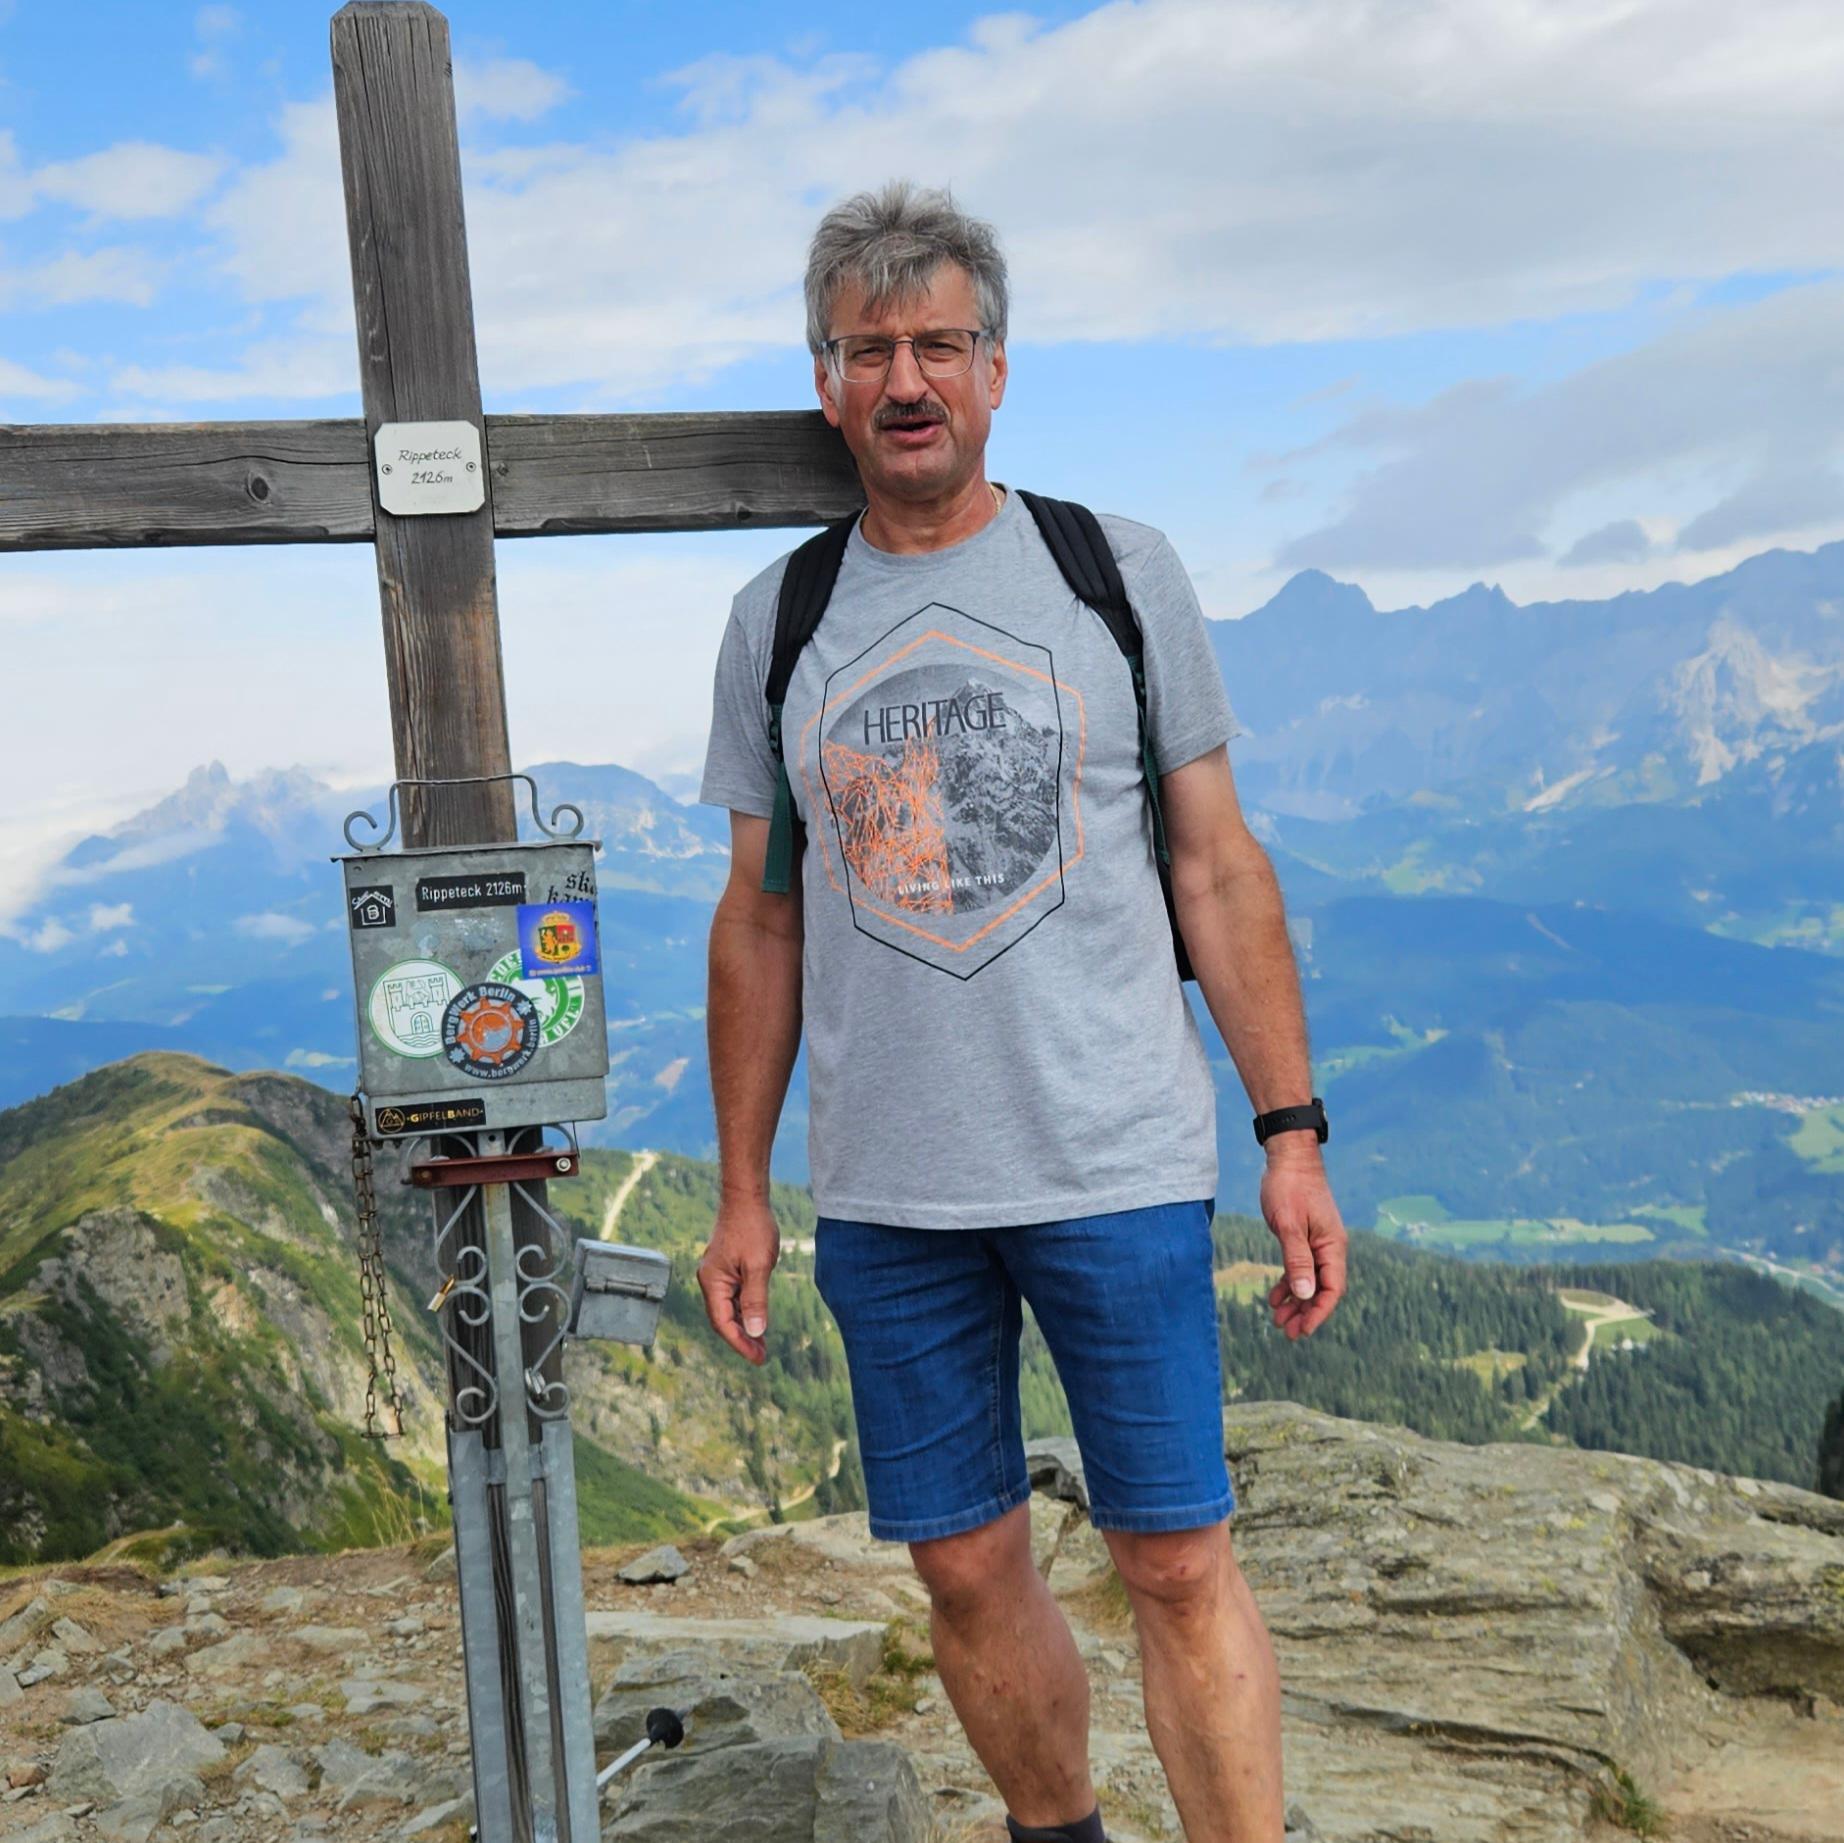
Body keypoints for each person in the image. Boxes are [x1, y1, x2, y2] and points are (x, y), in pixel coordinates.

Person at [695, 179, 1348, 1843]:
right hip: (893, 1190)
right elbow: (759, 920)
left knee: (1176, 1558)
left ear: (996, 369)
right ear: (826, 383)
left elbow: (1217, 867)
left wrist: (1289, 1136)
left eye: (939, 344)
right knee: (966, 1568)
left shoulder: (1113, 574)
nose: (906, 379)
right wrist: (745, 1187)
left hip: (1114, 1157)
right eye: (869, 350)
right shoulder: (778, 621)